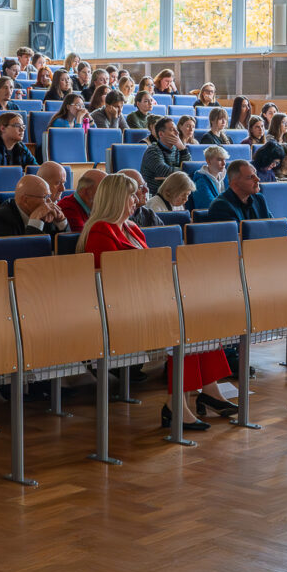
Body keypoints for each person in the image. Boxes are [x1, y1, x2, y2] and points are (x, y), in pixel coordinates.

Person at [77, 173, 232, 429]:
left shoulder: (132, 228)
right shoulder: (100, 230)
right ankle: (184, 401)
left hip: (145, 301)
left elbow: (149, 269)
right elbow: (112, 280)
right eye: (131, 194)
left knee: (195, 316)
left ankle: (199, 394)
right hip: (118, 309)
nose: (137, 199)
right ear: (117, 198)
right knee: (184, 323)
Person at [0, 174, 70, 237]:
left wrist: (61, 222)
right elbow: (26, 254)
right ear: (25, 200)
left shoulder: (46, 214)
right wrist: (34, 223)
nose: (49, 201)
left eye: (49, 196)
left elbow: (63, 249)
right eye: (45, 197)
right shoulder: (1, 218)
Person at [206, 160, 271, 222]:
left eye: (256, 174)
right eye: (250, 177)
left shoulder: (259, 199)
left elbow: (272, 225)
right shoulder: (220, 206)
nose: (258, 179)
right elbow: (237, 233)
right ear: (235, 184)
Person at [140, 116, 191, 192]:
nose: (177, 133)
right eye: (172, 130)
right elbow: (165, 172)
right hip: (156, 194)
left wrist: (182, 149)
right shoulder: (152, 151)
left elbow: (188, 166)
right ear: (161, 134)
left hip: (174, 191)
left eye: (176, 129)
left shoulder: (177, 149)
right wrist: (185, 170)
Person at [190, 145, 228, 210]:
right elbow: (208, 205)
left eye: (224, 159)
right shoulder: (200, 181)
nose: (224, 163)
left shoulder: (227, 176)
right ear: (208, 161)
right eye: (219, 160)